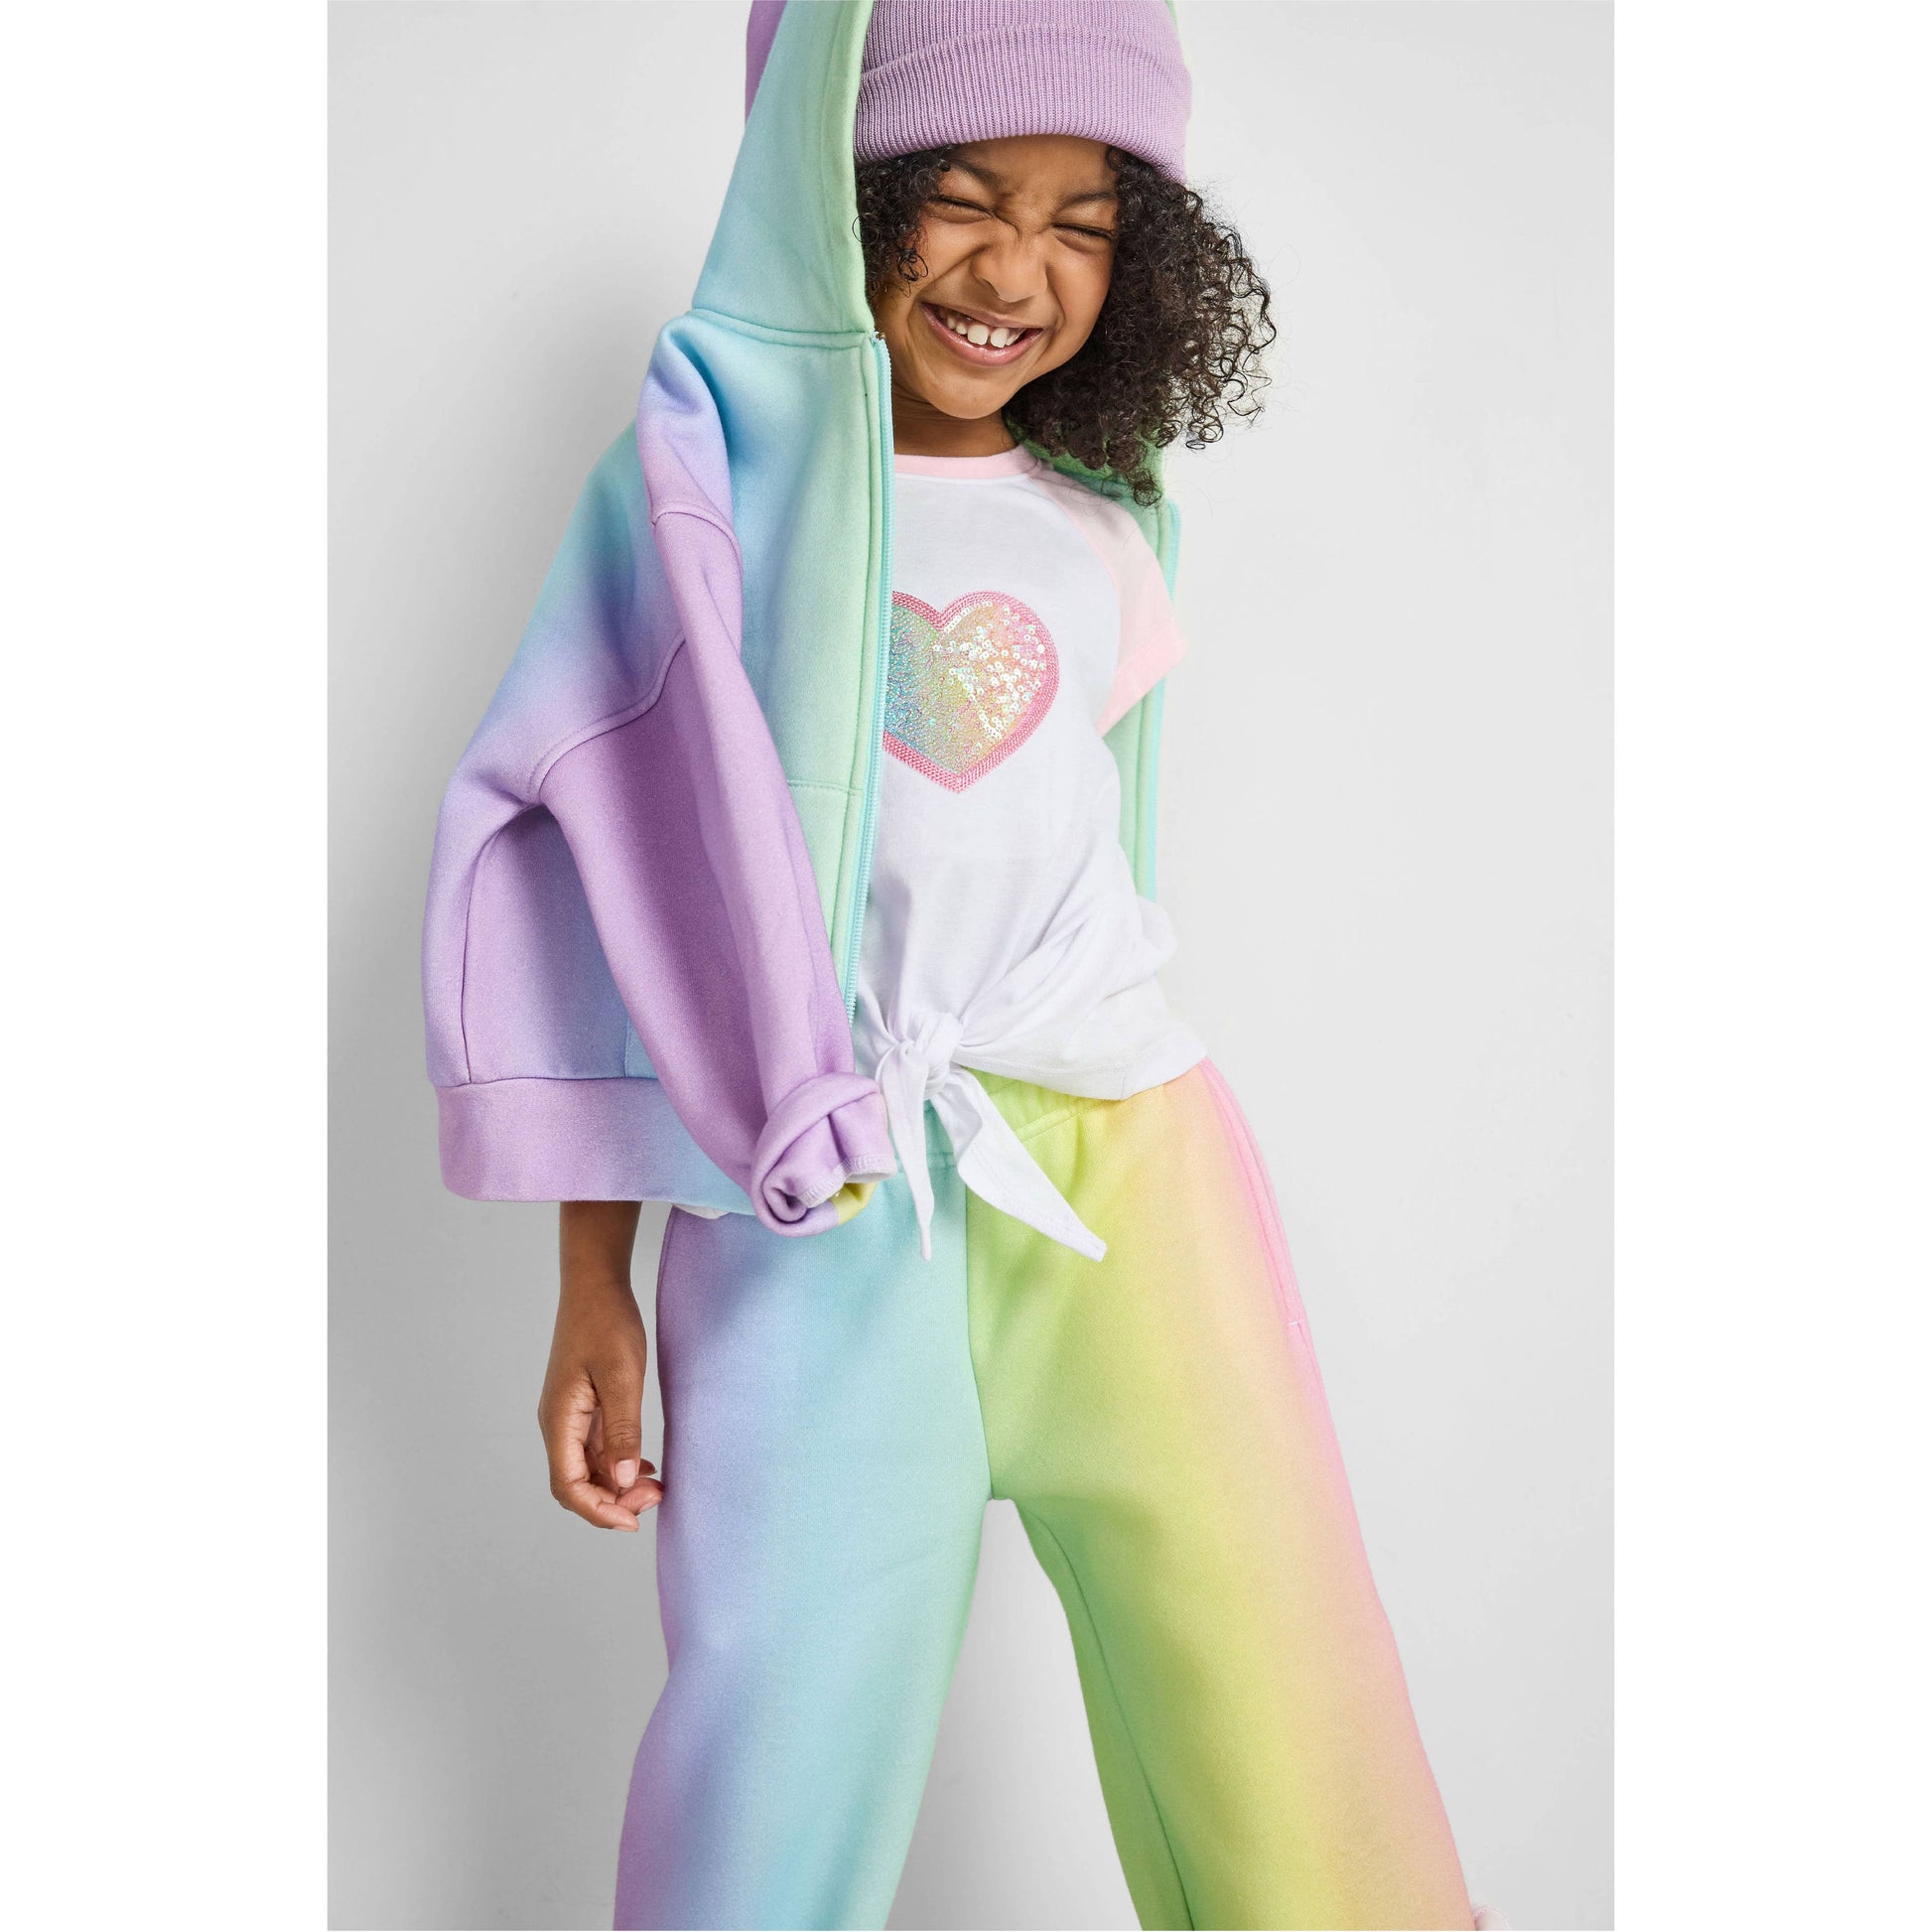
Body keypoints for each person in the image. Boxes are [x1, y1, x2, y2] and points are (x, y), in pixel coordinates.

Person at [424, 4, 1502, 1927]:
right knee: (777, 1740)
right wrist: (596, 1275)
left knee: (1273, 1695)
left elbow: (1084, 852)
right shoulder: (699, 499)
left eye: (1084, 223)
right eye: (963, 198)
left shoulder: (1106, 520)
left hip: (1126, 1168)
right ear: (841, 197)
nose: (1014, 270)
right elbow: (603, 892)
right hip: (818, 1183)